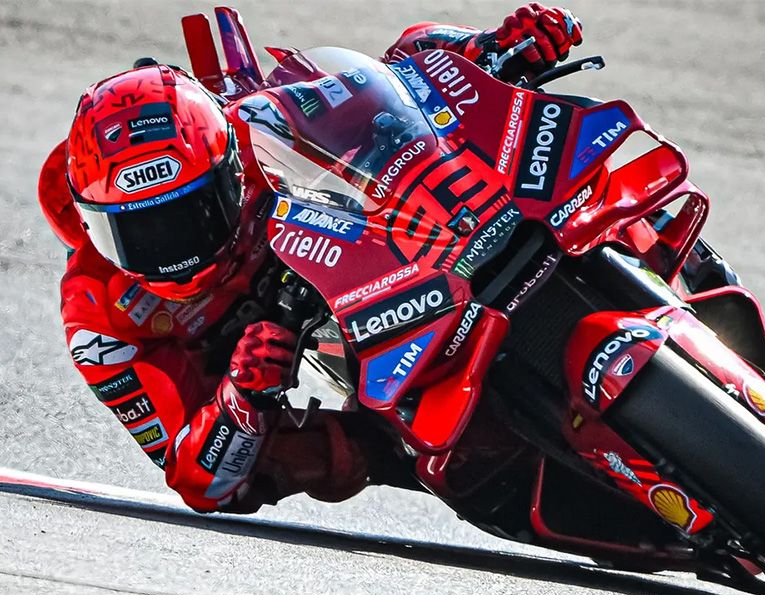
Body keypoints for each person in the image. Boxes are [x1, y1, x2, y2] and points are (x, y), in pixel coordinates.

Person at [37, 4, 584, 513]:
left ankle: (651, 237)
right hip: (340, 351)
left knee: (552, 152)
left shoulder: (258, 128)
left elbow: (398, 77)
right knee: (283, 464)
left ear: (226, 167)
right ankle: (435, 455)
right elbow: (196, 479)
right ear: (93, 224)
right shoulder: (99, 315)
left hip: (410, 250)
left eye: (190, 215)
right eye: (136, 232)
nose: (173, 251)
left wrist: (488, 51)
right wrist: (242, 400)